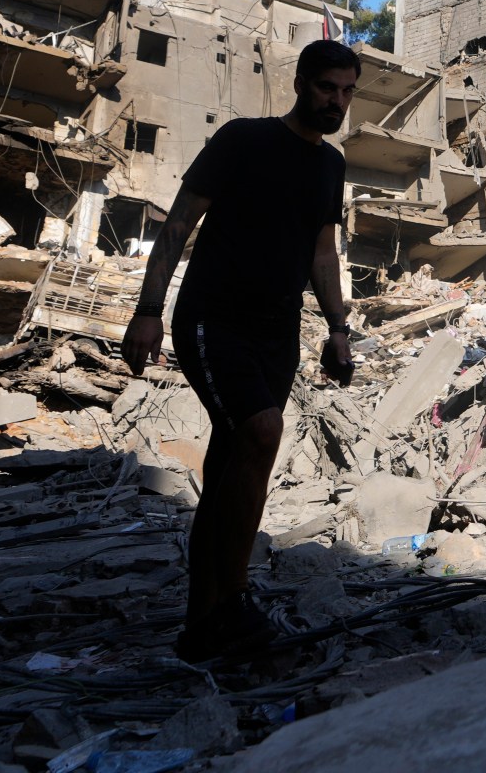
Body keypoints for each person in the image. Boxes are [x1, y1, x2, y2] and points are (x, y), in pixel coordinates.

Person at [121, 39, 361, 663]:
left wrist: (338, 326)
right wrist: (147, 311)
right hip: (212, 320)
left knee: (230, 464)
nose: (336, 101)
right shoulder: (241, 140)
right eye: (327, 88)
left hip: (276, 336)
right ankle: (231, 600)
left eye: (346, 92)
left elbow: (322, 254)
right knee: (261, 431)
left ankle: (202, 625)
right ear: (302, 84)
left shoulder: (330, 166)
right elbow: (178, 224)